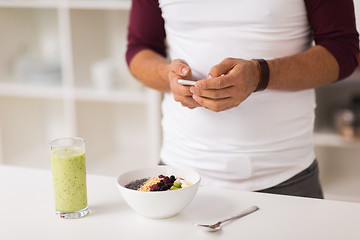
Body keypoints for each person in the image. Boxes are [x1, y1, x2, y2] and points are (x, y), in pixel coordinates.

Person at [125, 0, 359, 198]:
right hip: (180, 177)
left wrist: (261, 74)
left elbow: (343, 50)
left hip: (286, 176)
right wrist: (168, 78)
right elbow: (139, 48)